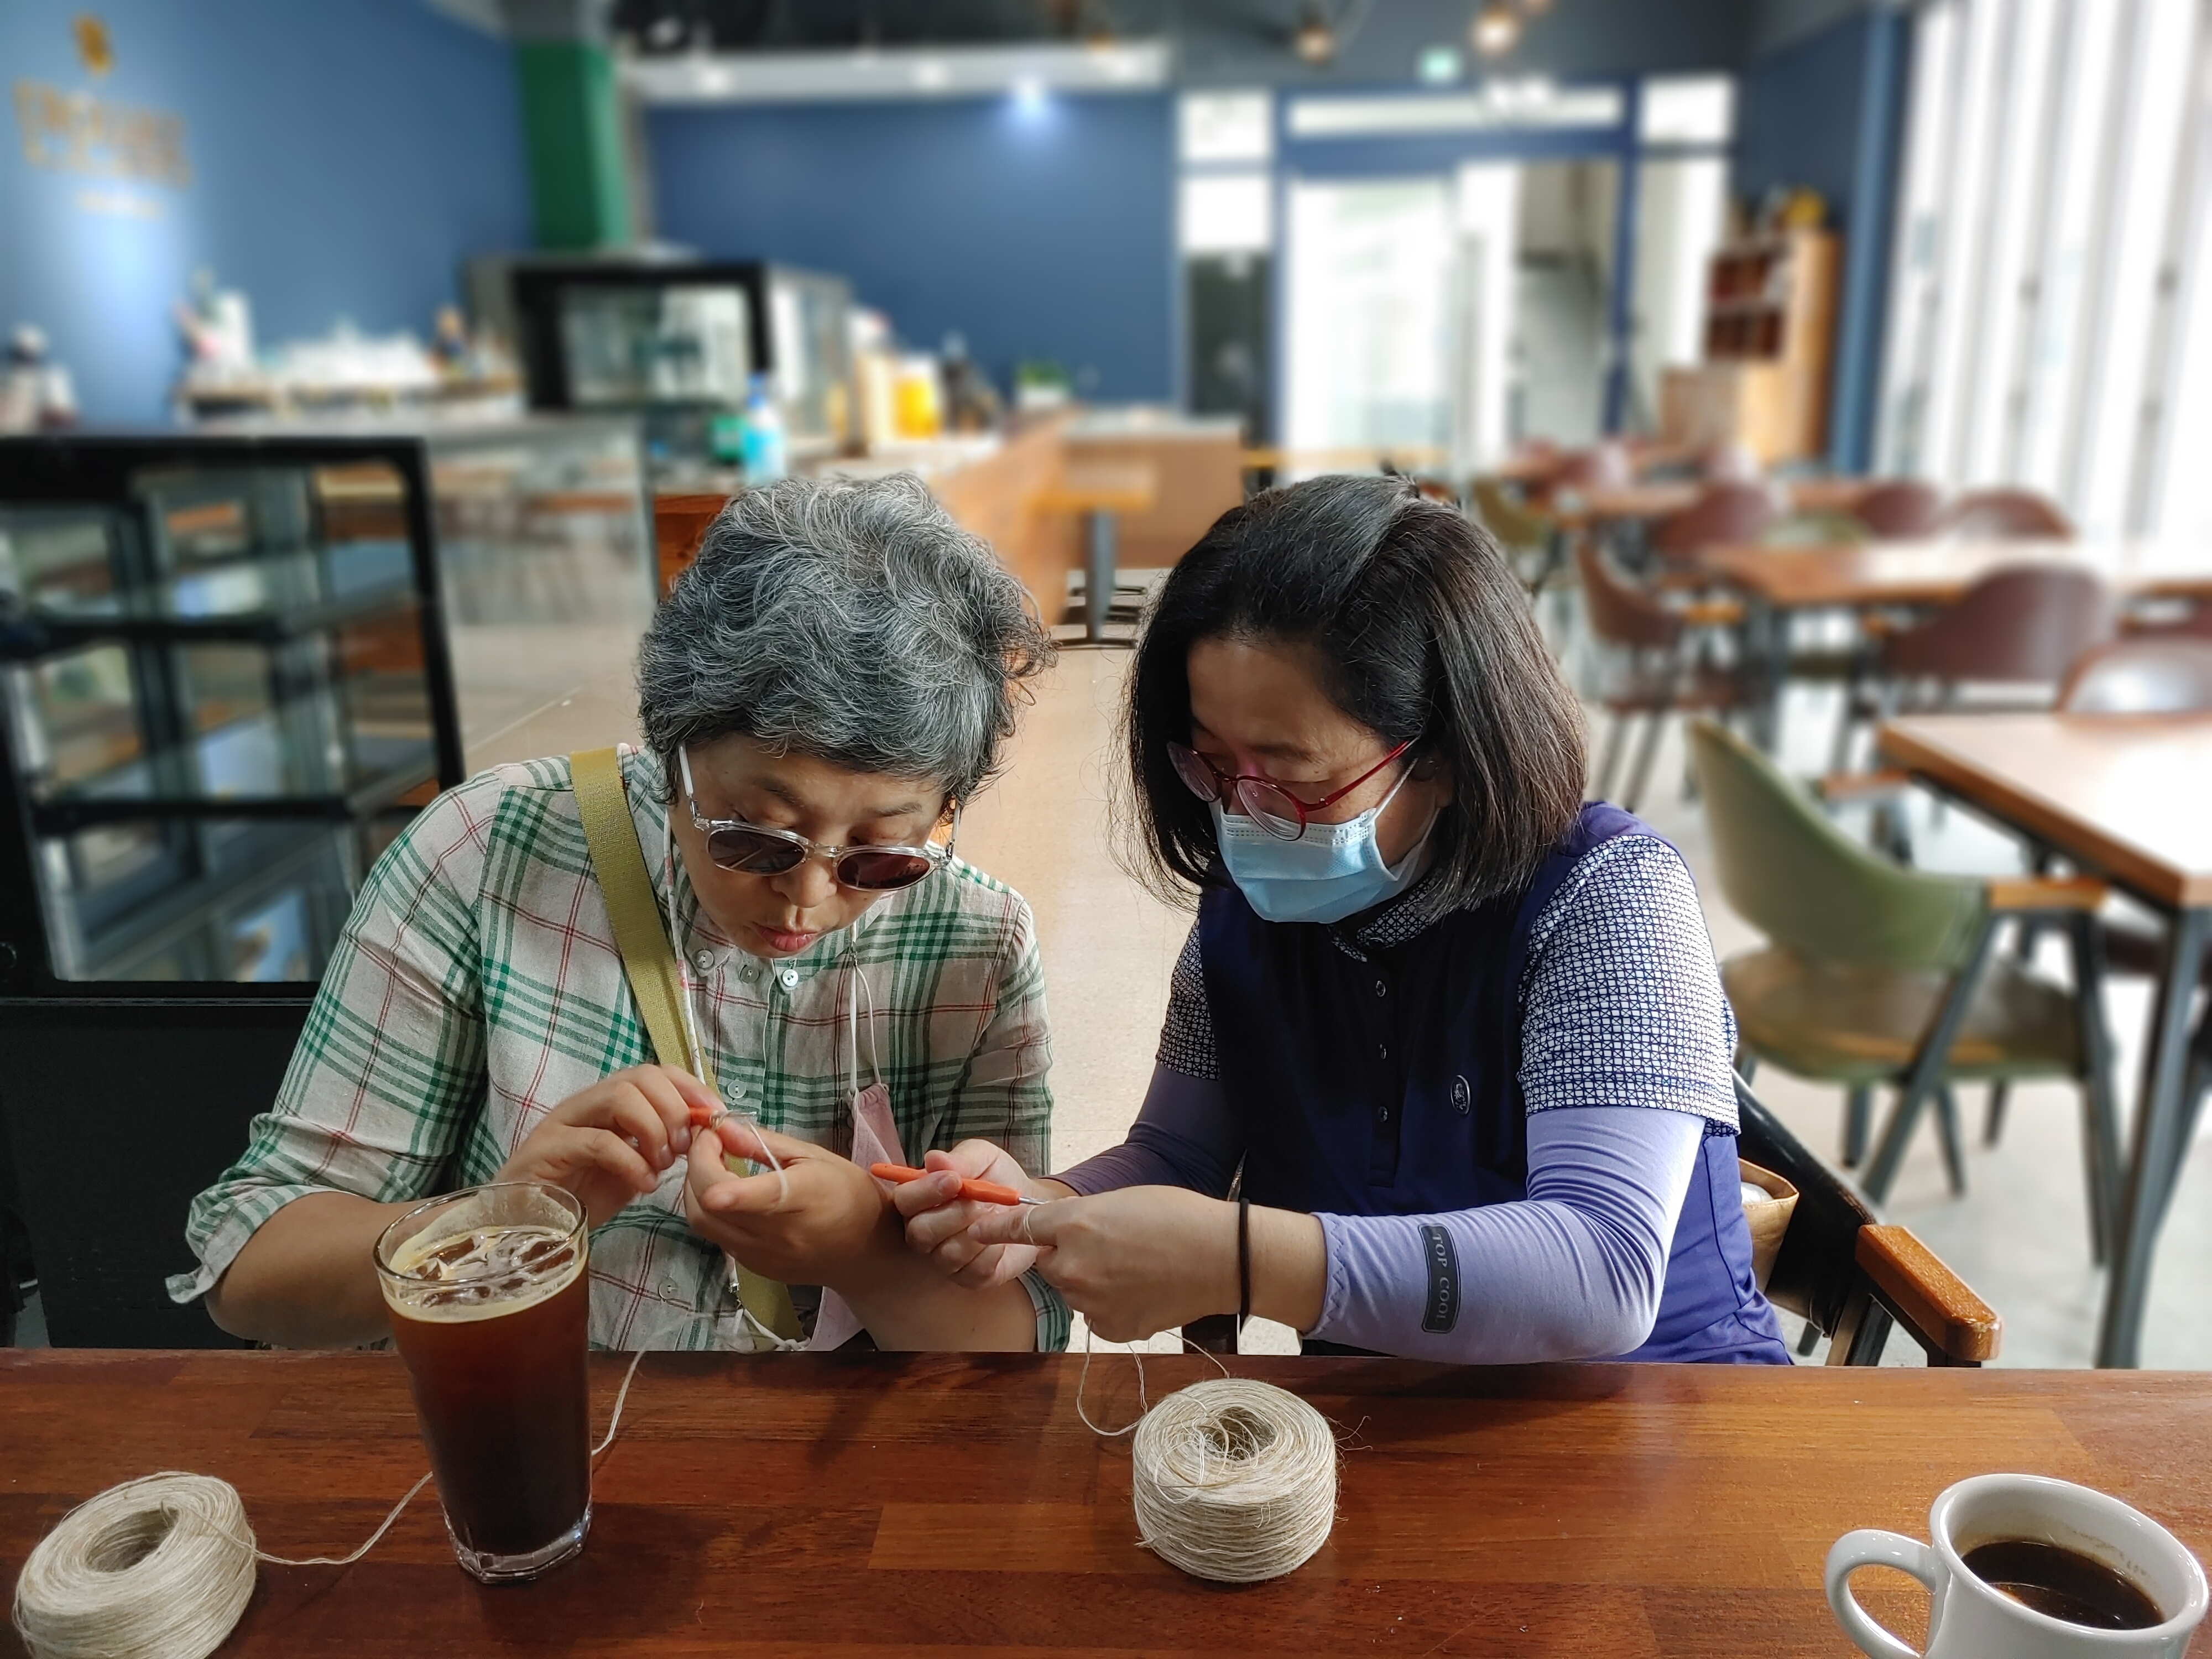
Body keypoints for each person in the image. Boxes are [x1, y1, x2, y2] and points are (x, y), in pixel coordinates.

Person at [894, 474, 1790, 1364]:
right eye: (1214, 767)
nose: (1246, 814)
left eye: (1293, 776)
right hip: (1377, 1421)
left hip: (1667, 1414)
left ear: (1444, 752)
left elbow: (1603, 1274)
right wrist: (1036, 1210)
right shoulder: (1246, 918)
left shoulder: (1606, 898)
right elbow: (1175, 1157)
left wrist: (1243, 1260)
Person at [175, 474, 1068, 1354]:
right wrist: (503, 1222)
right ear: (671, 759)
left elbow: (1019, 1339)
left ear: (944, 812)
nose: (807, 895)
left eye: (881, 853)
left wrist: (867, 1252)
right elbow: (248, 1275)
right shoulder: (488, 852)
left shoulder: (978, 941)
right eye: (754, 838)